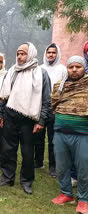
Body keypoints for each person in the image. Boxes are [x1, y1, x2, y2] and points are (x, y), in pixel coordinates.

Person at [0, 42, 51, 194]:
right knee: (7, 149)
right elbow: (3, 96)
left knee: (27, 152)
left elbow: (46, 100)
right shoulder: (12, 71)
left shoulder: (41, 73)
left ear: (30, 54)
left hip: (29, 119)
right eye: (18, 53)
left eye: (23, 53)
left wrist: (41, 120)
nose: (19, 56)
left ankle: (26, 181)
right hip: (10, 116)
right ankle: (7, 178)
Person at [50, 56, 88, 214]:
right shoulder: (59, 86)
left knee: (83, 168)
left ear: (84, 68)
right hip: (60, 133)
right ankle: (66, 193)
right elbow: (54, 104)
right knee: (61, 166)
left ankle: (84, 199)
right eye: (71, 67)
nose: (73, 70)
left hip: (83, 134)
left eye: (77, 67)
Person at [34, 43, 67, 177]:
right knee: (38, 137)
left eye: (53, 52)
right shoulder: (39, 69)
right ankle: (38, 161)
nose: (51, 55)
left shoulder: (63, 69)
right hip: (40, 108)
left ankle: (53, 166)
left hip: (55, 109)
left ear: (57, 54)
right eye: (49, 52)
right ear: (45, 54)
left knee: (54, 139)